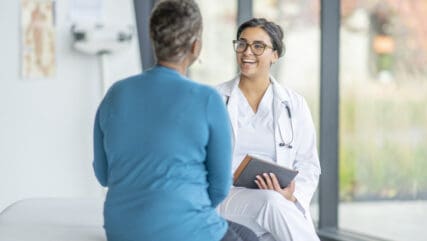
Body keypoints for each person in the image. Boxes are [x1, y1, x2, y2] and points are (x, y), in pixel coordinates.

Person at [92, 1, 258, 241]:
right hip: (185, 230)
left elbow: (103, 175)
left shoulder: (115, 94)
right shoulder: (208, 99)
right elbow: (220, 187)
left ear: (153, 39)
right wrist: (183, 213)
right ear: (195, 46)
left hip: (121, 231)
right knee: (251, 237)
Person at [216, 18, 321, 241]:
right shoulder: (214, 99)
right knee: (272, 204)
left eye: (258, 46)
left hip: (279, 199)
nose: (247, 52)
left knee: (275, 209)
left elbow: (309, 165)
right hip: (227, 196)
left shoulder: (294, 104)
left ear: (275, 54)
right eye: (242, 44)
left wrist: (292, 196)